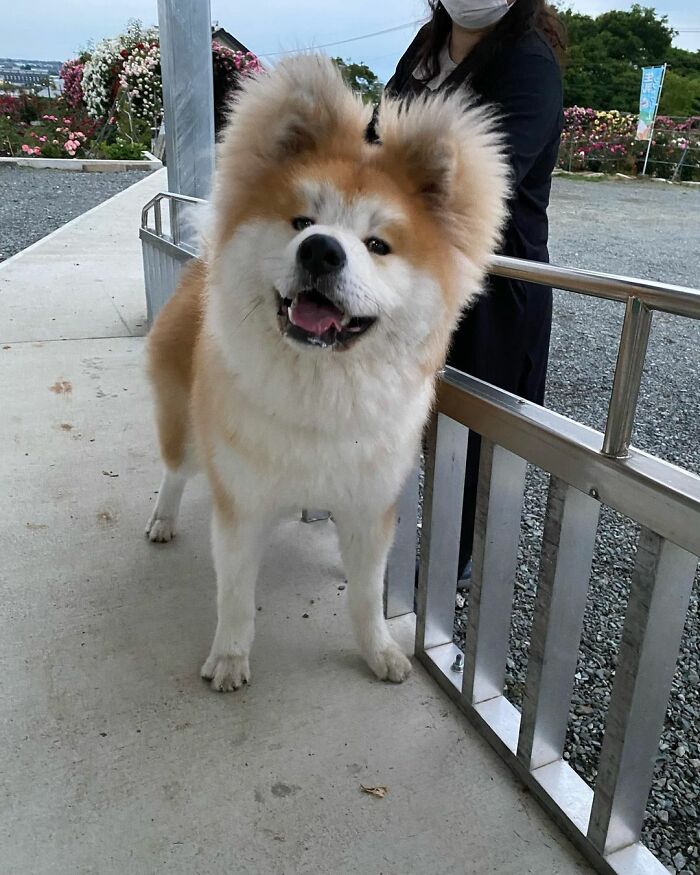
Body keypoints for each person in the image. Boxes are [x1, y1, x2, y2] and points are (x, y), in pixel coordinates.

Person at [381, 0, 566, 582]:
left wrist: (384, 169)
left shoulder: (529, 63)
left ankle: (447, 574)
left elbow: (484, 175)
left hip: (492, 291)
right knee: (401, 417)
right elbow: (374, 133)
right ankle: (389, 545)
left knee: (469, 436)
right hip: (412, 280)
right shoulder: (425, 51)